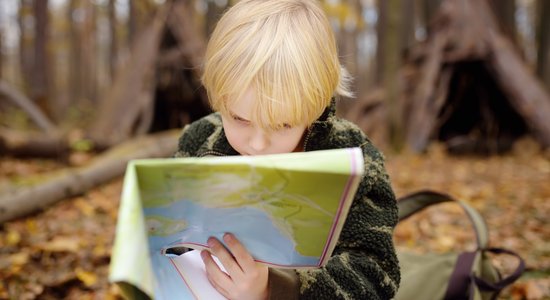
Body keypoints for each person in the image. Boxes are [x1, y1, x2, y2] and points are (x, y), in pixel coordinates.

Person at [173, 0, 400, 299]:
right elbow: (172, 240)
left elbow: (375, 275)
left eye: (281, 125)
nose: (257, 144)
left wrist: (274, 289)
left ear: (315, 107)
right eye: (240, 119)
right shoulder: (200, 140)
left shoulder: (353, 157)